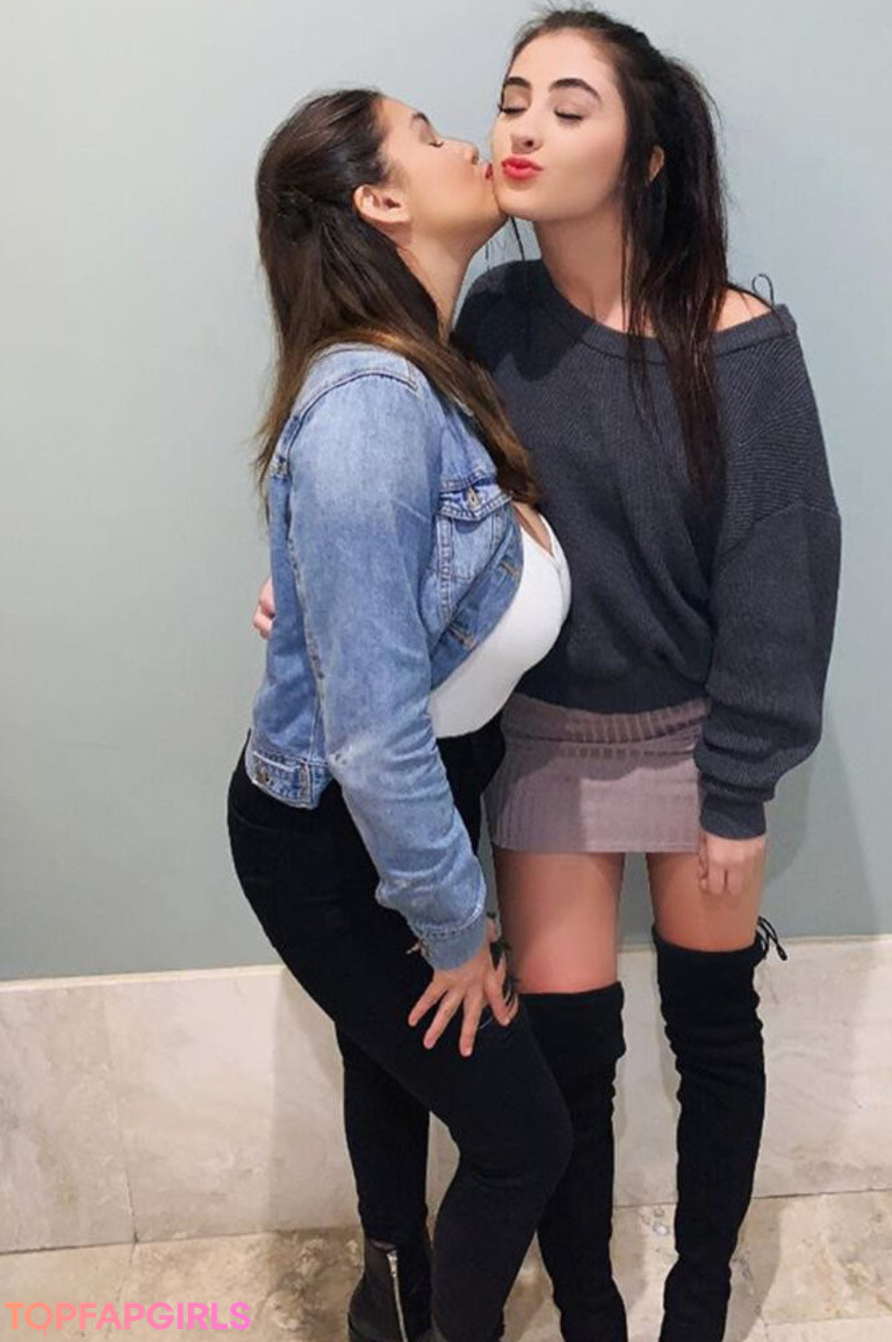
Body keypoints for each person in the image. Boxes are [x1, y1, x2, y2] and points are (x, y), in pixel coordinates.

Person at [254, 6, 841, 1342]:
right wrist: (310, 591)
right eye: (514, 99)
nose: (521, 128)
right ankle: (589, 1311)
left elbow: (784, 580)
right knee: (567, 1063)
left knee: (712, 1028)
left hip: (701, 739)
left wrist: (739, 789)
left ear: (645, 158)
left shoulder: (743, 344)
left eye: (569, 109)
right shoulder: (492, 320)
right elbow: (405, 503)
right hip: (553, 739)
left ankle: (700, 1299)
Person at [228, 86, 574, 1342]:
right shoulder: (375, 406)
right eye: (428, 136)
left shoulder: (431, 365)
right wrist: (454, 928)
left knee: (393, 1074)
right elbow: (373, 738)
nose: (469, 142)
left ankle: (393, 1305)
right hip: (341, 839)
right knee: (524, 1141)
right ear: (380, 201)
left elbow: (396, 609)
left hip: (397, 808)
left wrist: (316, 600)